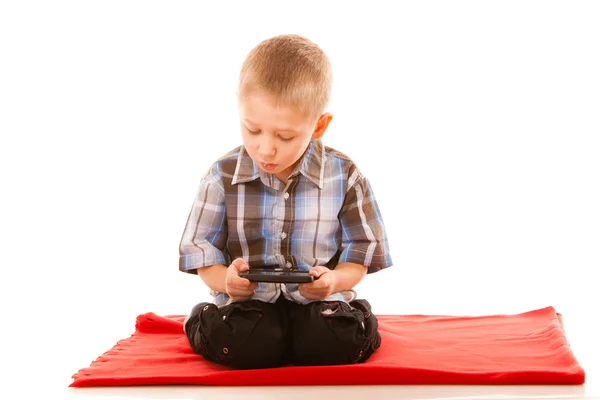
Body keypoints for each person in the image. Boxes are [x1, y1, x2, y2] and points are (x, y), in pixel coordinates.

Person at [179, 34, 393, 369]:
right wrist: (227, 282)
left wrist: (333, 281)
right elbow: (202, 252)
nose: (265, 149)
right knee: (246, 347)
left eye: (285, 136)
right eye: (252, 130)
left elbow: (360, 254)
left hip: (317, 302)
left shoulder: (345, 175)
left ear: (318, 125)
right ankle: (200, 321)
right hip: (249, 304)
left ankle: (354, 318)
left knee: (334, 345)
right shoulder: (221, 177)